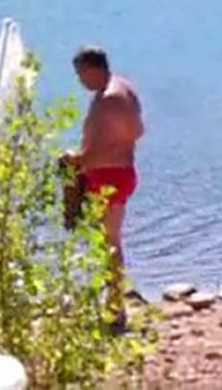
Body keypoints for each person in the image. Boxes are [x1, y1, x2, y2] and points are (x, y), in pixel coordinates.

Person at [61, 45, 144, 330]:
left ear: (92, 69)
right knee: (105, 241)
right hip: (115, 173)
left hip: (110, 176)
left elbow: (108, 147)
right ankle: (110, 301)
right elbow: (137, 131)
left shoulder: (110, 99)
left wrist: (77, 160)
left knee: (110, 242)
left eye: (81, 74)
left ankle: (115, 308)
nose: (80, 81)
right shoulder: (123, 88)